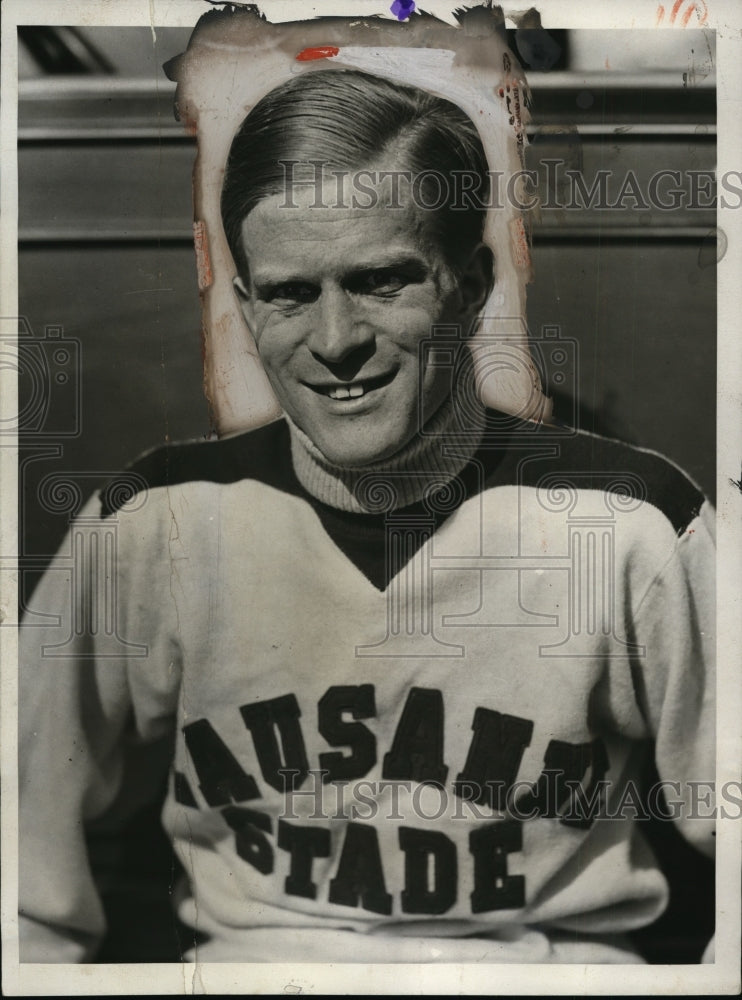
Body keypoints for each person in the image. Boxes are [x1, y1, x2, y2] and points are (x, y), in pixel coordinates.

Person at [18, 68, 715, 965]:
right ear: (244, 307)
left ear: (469, 288)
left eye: (381, 280)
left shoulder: (631, 521)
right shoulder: (155, 521)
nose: (336, 338)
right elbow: (21, 859)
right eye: (289, 293)